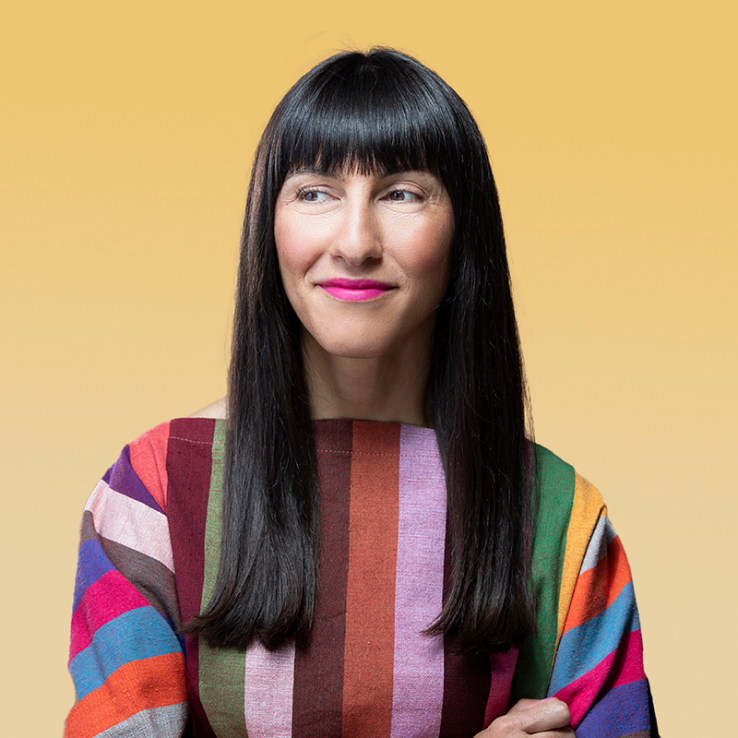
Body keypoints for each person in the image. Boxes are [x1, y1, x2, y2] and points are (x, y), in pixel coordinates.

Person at [64, 49, 658, 738]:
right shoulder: (154, 491)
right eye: (315, 191)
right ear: (270, 228)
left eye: (402, 192)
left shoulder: (560, 516)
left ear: (464, 231)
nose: (354, 242)